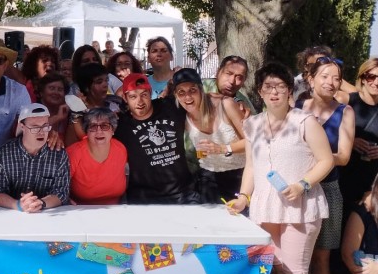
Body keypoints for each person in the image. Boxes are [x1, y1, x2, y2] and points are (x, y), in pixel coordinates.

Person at [229, 62, 333, 274]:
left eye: (280, 87)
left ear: (290, 91)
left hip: (301, 207)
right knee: (280, 271)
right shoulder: (252, 125)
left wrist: (303, 184)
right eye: (267, 87)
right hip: (265, 207)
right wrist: (243, 197)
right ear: (260, 92)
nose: (273, 92)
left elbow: (326, 160)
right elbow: (251, 166)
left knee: (297, 271)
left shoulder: (305, 122)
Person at [298, 57, 354, 274]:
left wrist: (312, 157)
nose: (331, 83)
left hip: (328, 190)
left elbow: (343, 157)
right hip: (294, 190)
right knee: (294, 258)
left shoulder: (345, 112)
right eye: (325, 76)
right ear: (311, 78)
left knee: (321, 258)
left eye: (336, 78)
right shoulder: (296, 106)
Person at [115, 73, 200, 205]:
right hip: (143, 198)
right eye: (133, 96)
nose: (140, 102)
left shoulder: (170, 106)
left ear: (150, 93)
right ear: (125, 98)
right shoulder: (120, 126)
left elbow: (199, 100)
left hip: (183, 193)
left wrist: (233, 102)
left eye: (144, 94)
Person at [173, 67, 246, 203]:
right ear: (176, 96)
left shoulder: (226, 105)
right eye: (181, 92)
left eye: (192, 90)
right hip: (209, 181)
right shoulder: (183, 115)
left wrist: (223, 149)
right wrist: (205, 154)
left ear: (201, 90)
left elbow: (253, 142)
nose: (187, 97)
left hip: (239, 177)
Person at [340, 58, 378, 210]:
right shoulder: (345, 101)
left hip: (371, 177)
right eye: (371, 76)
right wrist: (351, 142)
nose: (376, 82)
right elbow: (328, 134)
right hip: (343, 173)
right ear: (362, 78)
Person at [0, 104, 70, 212]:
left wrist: (40, 203)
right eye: (35, 127)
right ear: (22, 127)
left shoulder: (59, 154)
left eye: (45, 126)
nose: (41, 132)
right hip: (12, 214)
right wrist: (18, 205)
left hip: (47, 213)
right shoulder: (5, 153)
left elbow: (61, 192)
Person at [67, 107, 127, 204]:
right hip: (81, 212)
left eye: (105, 126)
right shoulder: (74, 153)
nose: (99, 131)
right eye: (93, 127)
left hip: (116, 211)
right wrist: (67, 201)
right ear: (86, 131)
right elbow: (58, 187)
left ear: (113, 130)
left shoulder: (120, 149)